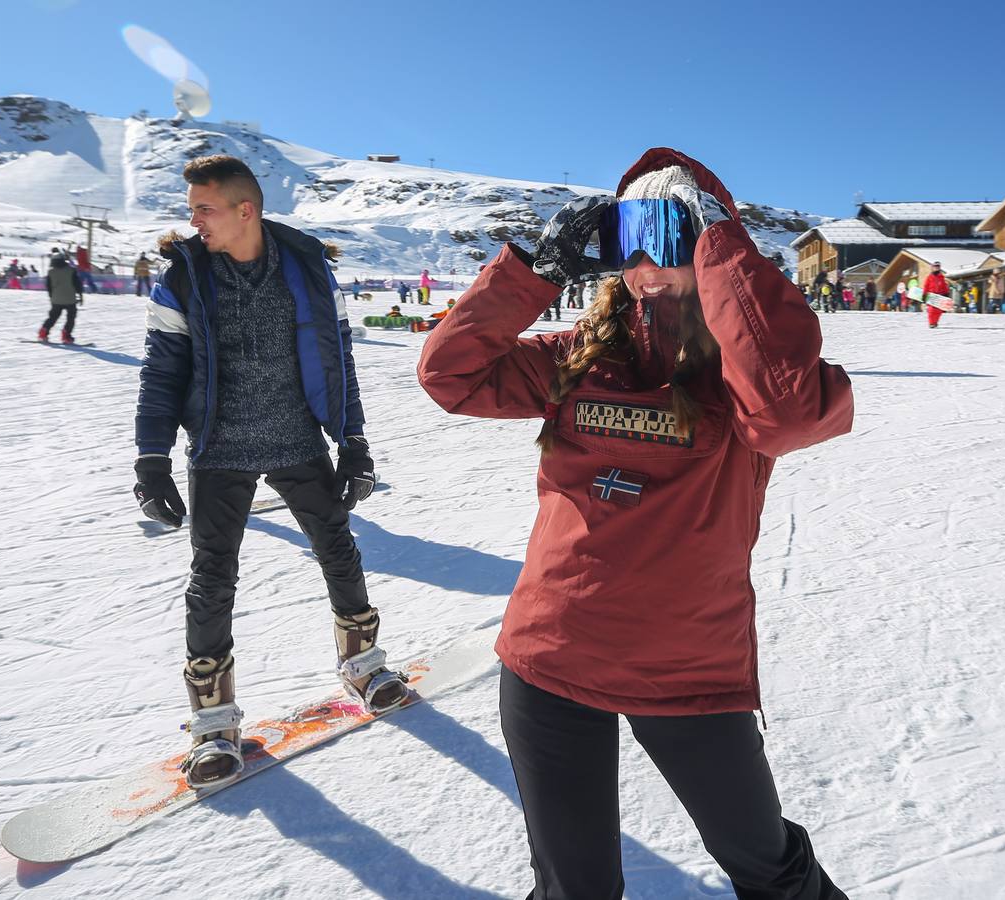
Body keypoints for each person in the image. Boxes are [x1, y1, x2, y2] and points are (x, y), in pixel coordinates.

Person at [418, 148, 852, 900]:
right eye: (628, 239)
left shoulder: (744, 376)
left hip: (686, 668)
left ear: (712, 244)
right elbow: (449, 376)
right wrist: (532, 270)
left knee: (771, 871)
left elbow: (787, 418)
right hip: (551, 656)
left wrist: (724, 253)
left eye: (669, 235)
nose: (647, 265)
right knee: (573, 889)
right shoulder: (577, 358)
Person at [132, 154, 406, 787]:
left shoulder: (308, 269)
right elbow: (160, 373)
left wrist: (354, 441)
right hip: (219, 447)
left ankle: (365, 666)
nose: (194, 221)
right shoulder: (183, 277)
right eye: (192, 210)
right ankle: (213, 724)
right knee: (212, 578)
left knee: (338, 549)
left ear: (245, 210)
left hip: (296, 439)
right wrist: (151, 458)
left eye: (204, 209)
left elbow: (339, 360)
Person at [39, 254, 84, 343]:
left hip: (56, 299)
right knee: (70, 318)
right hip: (70, 299)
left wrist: (52, 296)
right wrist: (80, 295)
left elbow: (49, 286)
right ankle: (66, 335)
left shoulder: (51, 272)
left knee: (53, 317)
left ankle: (43, 332)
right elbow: (77, 284)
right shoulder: (71, 270)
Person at [922, 262, 950, 328]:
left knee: (938, 311)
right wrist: (924, 295)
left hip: (940, 295)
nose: (936, 268)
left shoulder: (941, 277)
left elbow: (944, 286)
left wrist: (946, 293)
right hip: (932, 295)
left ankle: (935, 322)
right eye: (935, 266)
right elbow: (926, 286)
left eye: (938, 266)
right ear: (932, 268)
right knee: (931, 310)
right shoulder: (929, 277)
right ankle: (931, 323)